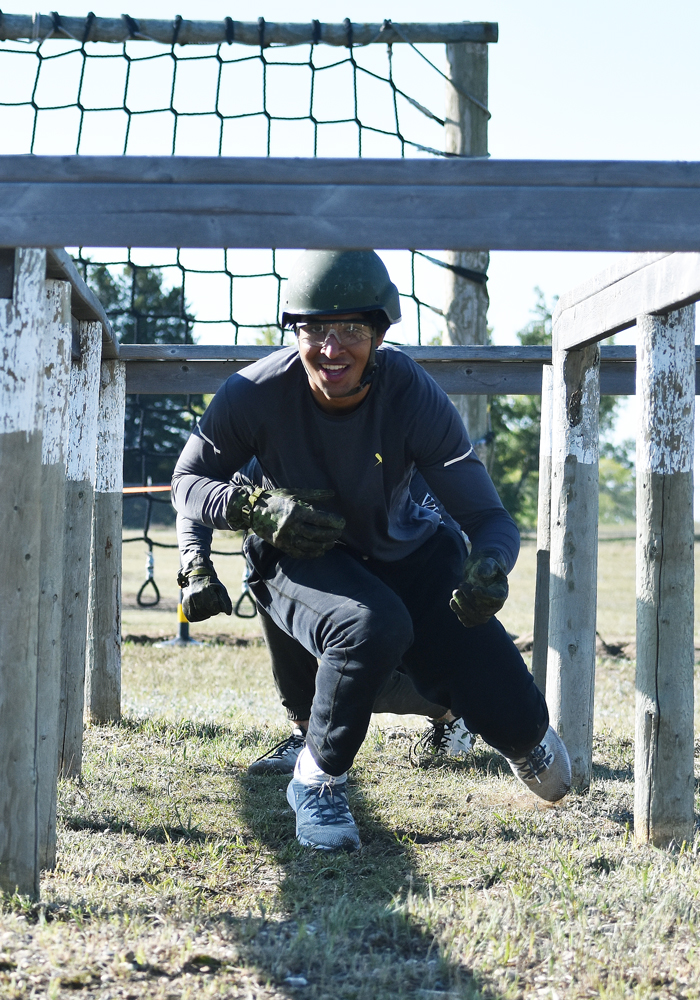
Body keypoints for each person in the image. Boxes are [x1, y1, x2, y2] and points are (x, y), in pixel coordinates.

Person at [172, 249, 571, 852]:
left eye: (353, 329)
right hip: (300, 550)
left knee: (526, 730)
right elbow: (186, 481)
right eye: (315, 330)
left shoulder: (411, 394)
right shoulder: (253, 393)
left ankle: (508, 729)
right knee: (370, 624)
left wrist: (491, 564)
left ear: (381, 333)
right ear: (295, 332)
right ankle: (319, 780)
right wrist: (249, 510)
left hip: (404, 548)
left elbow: (487, 516)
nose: (333, 349)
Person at [176, 504, 474, 772]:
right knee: (264, 553)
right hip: (327, 557)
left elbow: (450, 513)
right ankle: (305, 732)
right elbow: (197, 490)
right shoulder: (257, 449)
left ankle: (456, 706)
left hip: (407, 558)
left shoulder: (395, 451)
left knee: (363, 675)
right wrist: (196, 566)